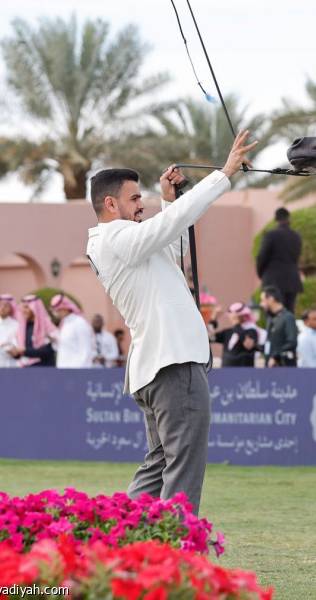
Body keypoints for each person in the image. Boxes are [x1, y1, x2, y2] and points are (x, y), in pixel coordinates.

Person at [85, 129, 258, 515]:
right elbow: (167, 228)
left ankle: (117, 540)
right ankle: (175, 554)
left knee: (160, 463)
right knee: (183, 464)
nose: (141, 205)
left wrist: (166, 199)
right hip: (172, 363)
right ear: (110, 204)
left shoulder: (121, 240)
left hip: (158, 367)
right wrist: (224, 173)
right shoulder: (114, 239)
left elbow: (172, 243)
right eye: (134, 199)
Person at [255, 207, 303, 313]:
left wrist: (261, 274)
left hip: (273, 281)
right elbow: (297, 256)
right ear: (288, 219)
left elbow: (262, 256)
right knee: (289, 314)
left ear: (276, 219)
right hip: (292, 280)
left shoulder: (270, 235)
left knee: (273, 315)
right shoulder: (296, 236)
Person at [210, 302, 265, 367]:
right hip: (226, 372)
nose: (234, 317)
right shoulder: (228, 332)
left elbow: (248, 345)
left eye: (237, 315)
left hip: (244, 373)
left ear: (244, 316)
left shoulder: (251, 331)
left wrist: (236, 325)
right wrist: (213, 320)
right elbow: (210, 337)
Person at [8, 294, 57, 367]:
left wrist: (25, 350)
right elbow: (20, 351)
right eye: (23, 307)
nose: (23, 310)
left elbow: (49, 351)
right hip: (25, 369)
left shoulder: (47, 326)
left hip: (44, 369)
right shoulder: (22, 327)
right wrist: (16, 353)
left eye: (27, 307)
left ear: (35, 308)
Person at [50, 294, 95, 368]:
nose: (56, 314)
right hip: (63, 368)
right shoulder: (64, 324)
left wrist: (81, 371)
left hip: (77, 369)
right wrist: (55, 341)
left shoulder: (79, 322)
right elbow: (64, 347)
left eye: (58, 310)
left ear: (66, 308)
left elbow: (86, 349)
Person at [259, 286, 298, 367]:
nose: (261, 304)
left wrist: (275, 356)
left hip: (284, 367)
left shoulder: (288, 317)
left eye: (263, 300)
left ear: (271, 299)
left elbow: (292, 342)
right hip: (270, 367)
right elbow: (271, 342)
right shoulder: (270, 318)